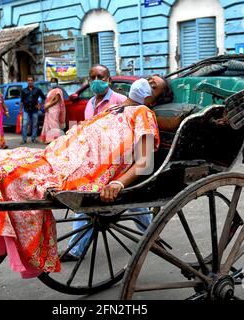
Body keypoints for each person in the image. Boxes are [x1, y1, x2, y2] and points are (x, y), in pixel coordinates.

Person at [0, 76, 168, 278]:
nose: (147, 84)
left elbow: (144, 163)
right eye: (149, 80)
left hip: (80, 171)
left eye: (154, 87)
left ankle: (1, 249)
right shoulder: (114, 108)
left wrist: (118, 183)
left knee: (5, 175)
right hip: (60, 156)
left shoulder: (144, 114)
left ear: (152, 101)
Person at [61, 65, 153, 262]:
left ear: (109, 79)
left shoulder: (130, 106)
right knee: (135, 204)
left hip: (115, 162)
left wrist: (119, 179)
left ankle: (152, 233)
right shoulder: (92, 104)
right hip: (98, 156)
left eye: (100, 77)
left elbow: (142, 156)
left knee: (94, 197)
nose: (96, 80)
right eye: (92, 76)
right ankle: (152, 232)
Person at [19, 76, 46, 144]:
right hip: (26, 110)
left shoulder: (37, 90)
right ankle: (24, 139)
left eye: (31, 80)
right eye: (28, 80)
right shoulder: (24, 90)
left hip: (35, 110)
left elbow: (43, 98)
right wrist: (20, 110)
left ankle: (33, 138)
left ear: (33, 81)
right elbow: (22, 101)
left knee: (35, 124)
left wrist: (40, 105)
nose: (30, 82)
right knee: (24, 124)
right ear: (27, 81)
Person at [39, 77, 66, 143]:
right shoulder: (50, 91)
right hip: (49, 110)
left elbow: (56, 100)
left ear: (57, 83)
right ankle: (50, 139)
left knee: (54, 124)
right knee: (48, 124)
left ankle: (56, 139)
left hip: (54, 109)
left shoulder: (58, 90)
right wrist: (46, 106)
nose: (52, 83)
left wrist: (48, 105)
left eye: (54, 82)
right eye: (51, 82)